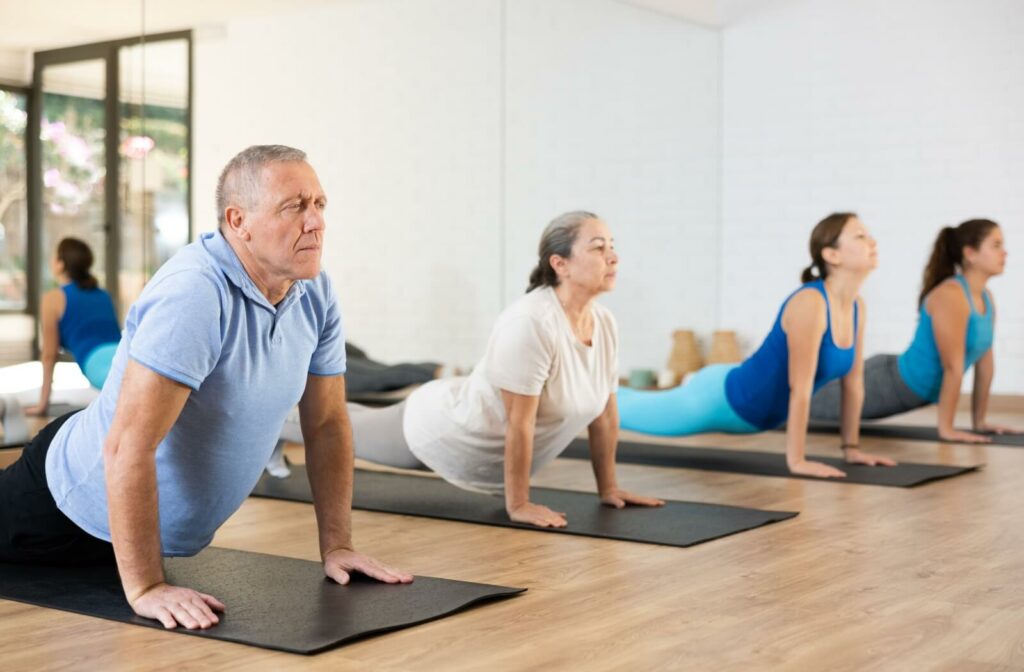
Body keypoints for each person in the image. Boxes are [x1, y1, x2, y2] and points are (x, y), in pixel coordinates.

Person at [0, 145, 411, 631]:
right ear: (239, 221)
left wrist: (337, 544)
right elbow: (128, 445)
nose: (315, 222)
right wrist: (148, 587)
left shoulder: (314, 290)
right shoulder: (195, 292)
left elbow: (325, 423)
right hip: (63, 505)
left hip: (125, 533)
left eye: (319, 204)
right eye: (294, 206)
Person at [328, 211, 663, 528]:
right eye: (598, 248)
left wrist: (610, 489)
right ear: (560, 264)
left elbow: (605, 416)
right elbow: (520, 421)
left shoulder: (604, 323)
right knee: (328, 426)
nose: (613, 257)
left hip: (483, 450)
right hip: (444, 430)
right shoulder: (532, 321)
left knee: (339, 418)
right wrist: (518, 504)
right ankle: (279, 417)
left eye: (612, 247)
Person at [617, 213, 895, 478]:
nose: (872, 242)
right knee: (619, 408)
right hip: (720, 400)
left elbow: (854, 384)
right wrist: (797, 461)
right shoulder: (810, 303)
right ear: (831, 254)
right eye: (860, 236)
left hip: (749, 403)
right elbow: (800, 387)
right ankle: (577, 396)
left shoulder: (857, 306)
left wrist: (852, 449)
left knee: (622, 401)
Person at [811, 219, 1015, 442]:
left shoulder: (986, 297)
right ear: (970, 253)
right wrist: (947, 430)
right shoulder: (952, 296)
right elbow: (952, 367)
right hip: (888, 383)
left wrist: (980, 422)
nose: (1004, 253)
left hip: (907, 389)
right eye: (996, 245)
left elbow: (985, 363)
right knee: (799, 405)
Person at [24, 237, 121, 416]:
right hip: (124, 355)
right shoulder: (103, 295)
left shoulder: (53, 298)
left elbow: (49, 355)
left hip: (97, 363)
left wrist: (42, 404)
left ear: (61, 264)